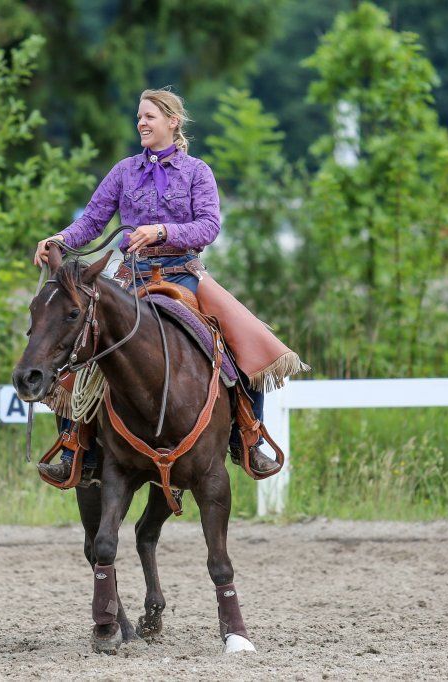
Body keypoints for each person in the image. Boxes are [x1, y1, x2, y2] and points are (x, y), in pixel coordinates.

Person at [33, 87, 278, 483]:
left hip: (183, 275)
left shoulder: (198, 172)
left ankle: (247, 436)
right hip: (128, 278)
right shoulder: (123, 170)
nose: (141, 123)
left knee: (243, 343)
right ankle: (76, 445)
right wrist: (57, 240)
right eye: (139, 117)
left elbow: (209, 226)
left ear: (172, 122)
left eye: (149, 117)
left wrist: (163, 231)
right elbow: (92, 222)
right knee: (81, 347)